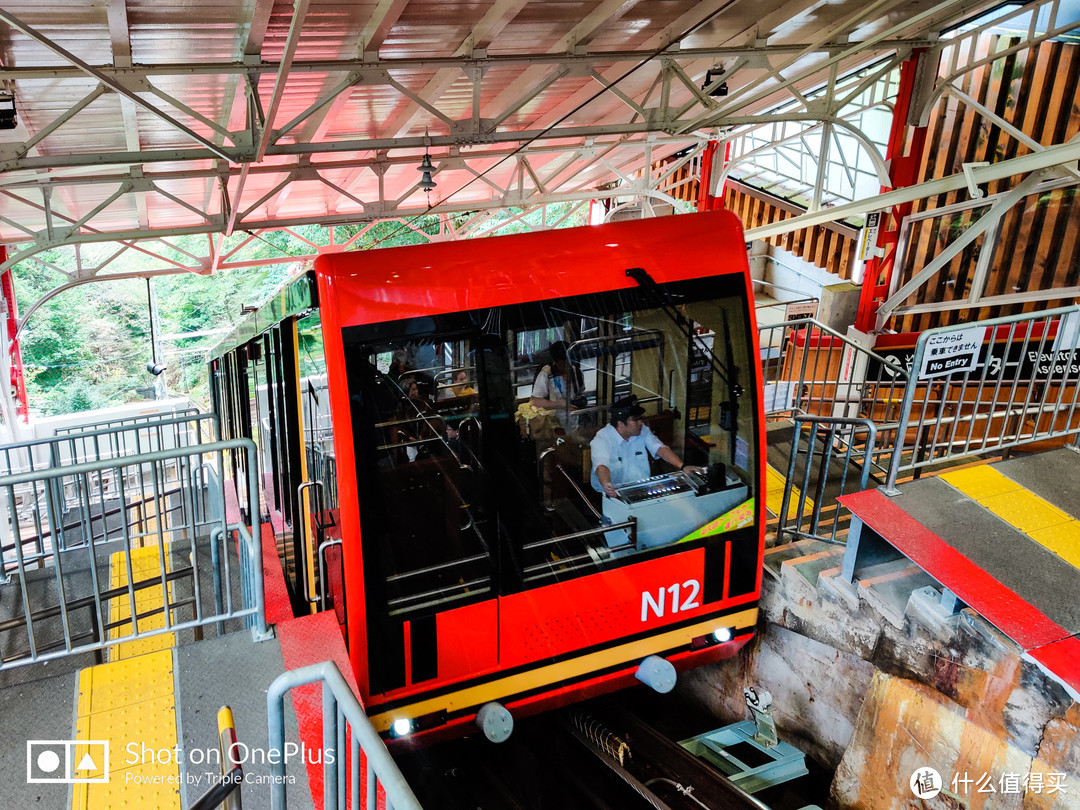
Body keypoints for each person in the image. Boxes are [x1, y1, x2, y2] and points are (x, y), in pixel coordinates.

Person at [590, 396, 704, 497]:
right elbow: (601, 466)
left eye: (641, 418)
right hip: (611, 495)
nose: (641, 423)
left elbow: (660, 449)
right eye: (635, 420)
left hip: (640, 490)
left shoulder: (642, 430)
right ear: (620, 423)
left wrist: (682, 466)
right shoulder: (602, 438)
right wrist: (607, 485)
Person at [530, 340, 583, 413]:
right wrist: (558, 404)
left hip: (573, 419)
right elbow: (536, 401)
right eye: (562, 365)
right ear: (555, 362)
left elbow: (580, 393)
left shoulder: (577, 373)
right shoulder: (546, 374)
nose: (566, 367)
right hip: (552, 420)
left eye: (569, 363)